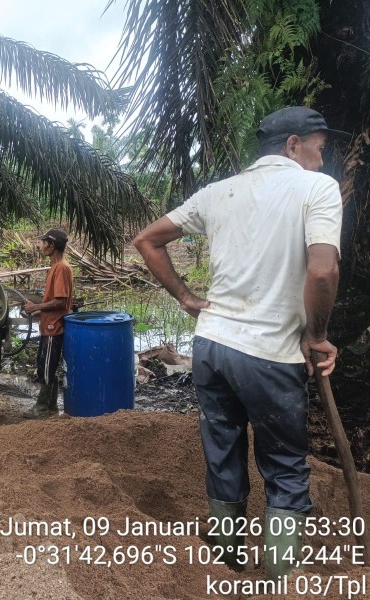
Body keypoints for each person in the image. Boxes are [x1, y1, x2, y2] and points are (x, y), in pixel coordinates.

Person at [134, 106, 345, 577]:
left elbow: (148, 239)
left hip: (212, 347)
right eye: (319, 148)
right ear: (293, 145)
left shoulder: (218, 193)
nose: (321, 160)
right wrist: (316, 336)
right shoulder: (317, 189)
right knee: (286, 465)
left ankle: (226, 564)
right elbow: (324, 269)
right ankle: (279, 578)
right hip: (269, 354)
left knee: (223, 447)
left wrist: (187, 298)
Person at [23, 228, 74, 417]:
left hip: (54, 326)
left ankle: (41, 407)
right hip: (49, 324)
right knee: (46, 364)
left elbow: (61, 301)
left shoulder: (61, 268)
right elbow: (55, 300)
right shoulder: (55, 267)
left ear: (52, 246)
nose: (42, 246)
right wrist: (35, 309)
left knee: (47, 366)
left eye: (45, 243)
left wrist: (37, 306)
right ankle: (51, 406)